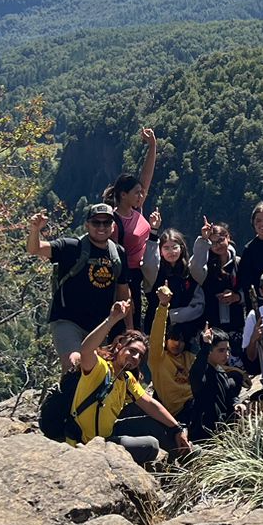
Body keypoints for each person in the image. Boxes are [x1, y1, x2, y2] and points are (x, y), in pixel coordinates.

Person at [66, 300, 190, 465]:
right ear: (118, 347)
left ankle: (189, 455)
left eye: (140, 355)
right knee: (150, 446)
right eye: (132, 351)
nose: (136, 357)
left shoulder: (125, 378)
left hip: (108, 432)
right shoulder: (100, 368)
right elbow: (87, 349)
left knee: (157, 425)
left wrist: (178, 429)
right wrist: (111, 320)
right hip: (89, 442)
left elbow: (151, 405)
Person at [29, 203, 131, 370]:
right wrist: (35, 230)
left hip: (100, 324)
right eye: (96, 222)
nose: (101, 227)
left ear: (113, 226)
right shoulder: (71, 247)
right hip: (68, 320)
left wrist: (129, 329)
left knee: (96, 373)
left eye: (106, 223)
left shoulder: (118, 254)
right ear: (87, 225)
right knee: (74, 364)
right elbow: (35, 249)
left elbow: (123, 291)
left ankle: (66, 396)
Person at [105, 127, 159, 323]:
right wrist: (125, 292)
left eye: (141, 193)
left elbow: (146, 176)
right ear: (123, 195)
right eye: (136, 193)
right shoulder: (114, 221)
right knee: (132, 324)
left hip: (147, 270)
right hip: (130, 277)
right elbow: (115, 260)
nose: (141, 195)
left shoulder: (136, 209)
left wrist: (153, 145)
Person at [190, 219, 242, 353]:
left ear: (228, 238)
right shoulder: (206, 265)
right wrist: (203, 239)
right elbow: (194, 268)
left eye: (220, 240)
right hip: (211, 325)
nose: (217, 246)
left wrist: (237, 297)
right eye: (212, 243)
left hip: (236, 325)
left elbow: (248, 289)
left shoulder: (239, 263)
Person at [145, 227, 203, 347]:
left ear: (181, 249)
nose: (171, 252)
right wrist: (153, 231)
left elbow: (198, 306)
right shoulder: (155, 273)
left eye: (174, 247)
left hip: (187, 332)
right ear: (160, 251)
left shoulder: (190, 272)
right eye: (166, 248)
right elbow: (148, 263)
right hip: (156, 329)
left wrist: (173, 316)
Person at [188, 332, 245, 442]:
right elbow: (196, 372)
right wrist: (205, 346)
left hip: (222, 431)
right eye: (221, 350)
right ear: (209, 351)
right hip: (204, 435)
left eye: (227, 349)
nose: (226, 354)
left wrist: (236, 403)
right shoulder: (201, 375)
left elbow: (229, 396)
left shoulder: (220, 371)